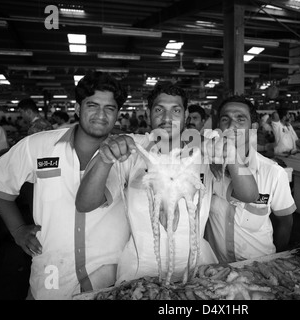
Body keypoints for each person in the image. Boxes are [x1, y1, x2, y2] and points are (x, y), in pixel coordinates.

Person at [75, 82, 258, 285]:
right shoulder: (131, 150)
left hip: (198, 268)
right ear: (148, 112)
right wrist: (105, 158)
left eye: (176, 110)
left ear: (186, 114)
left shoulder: (204, 151)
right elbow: (85, 203)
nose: (167, 118)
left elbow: (249, 195)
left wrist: (230, 154)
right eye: (159, 110)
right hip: (140, 271)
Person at [0, 72, 130, 299]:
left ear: (117, 114)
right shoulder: (39, 145)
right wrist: (18, 230)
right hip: (53, 272)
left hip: (110, 274)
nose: (101, 115)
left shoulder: (127, 154)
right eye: (92, 105)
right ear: (78, 109)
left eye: (110, 108)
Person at [205, 95, 296, 264]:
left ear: (253, 127)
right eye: (225, 119)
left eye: (240, 119)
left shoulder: (273, 173)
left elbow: (285, 222)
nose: (232, 126)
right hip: (216, 268)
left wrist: (275, 261)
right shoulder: (206, 168)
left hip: (259, 267)